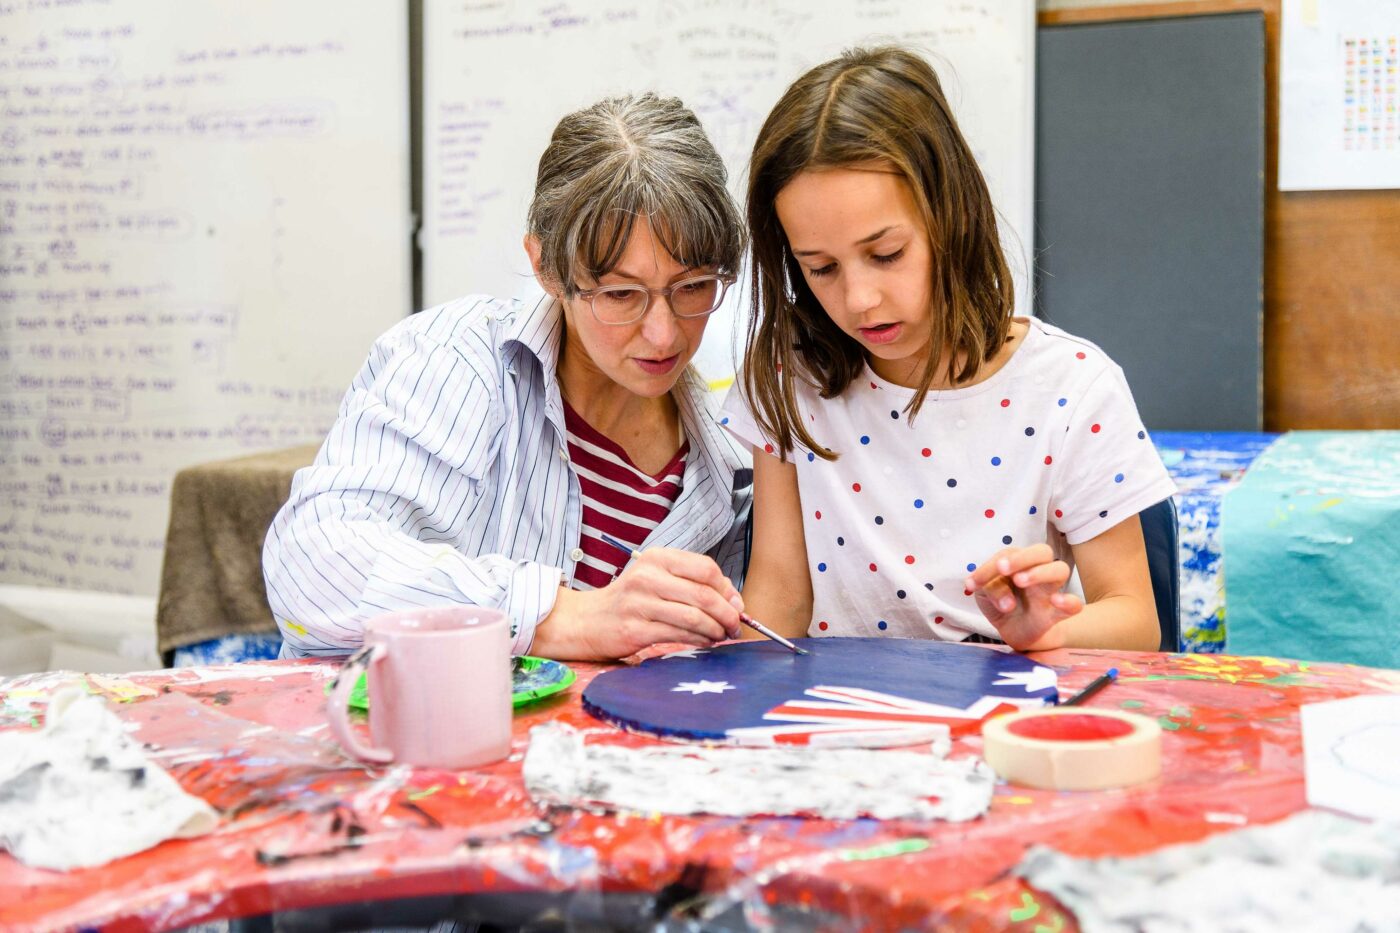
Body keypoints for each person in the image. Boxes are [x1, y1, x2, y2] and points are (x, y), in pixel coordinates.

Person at [265, 93, 752, 661]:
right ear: (545, 266)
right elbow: (314, 569)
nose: (665, 334)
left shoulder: (724, 470)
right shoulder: (458, 361)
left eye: (693, 287)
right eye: (621, 294)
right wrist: (566, 617)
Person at [724, 47, 1176, 652]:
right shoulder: (789, 376)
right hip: (845, 723)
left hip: (1002, 718)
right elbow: (779, 596)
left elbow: (1135, 621)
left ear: (952, 214)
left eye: (886, 254)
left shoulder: (1072, 386)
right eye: (820, 268)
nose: (859, 299)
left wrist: (1042, 634)